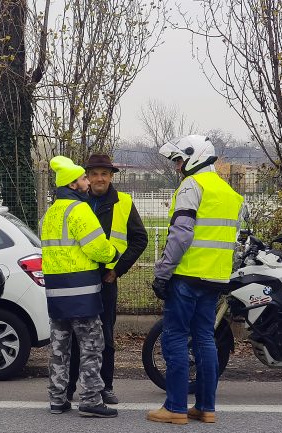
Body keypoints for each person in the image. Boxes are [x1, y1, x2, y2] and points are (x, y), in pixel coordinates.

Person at [147, 135, 244, 425]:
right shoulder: (229, 193)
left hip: (187, 276)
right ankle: (206, 407)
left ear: (194, 157)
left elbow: (181, 234)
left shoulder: (192, 185)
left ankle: (175, 408)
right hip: (215, 278)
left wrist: (163, 272)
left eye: (179, 160)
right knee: (204, 339)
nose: (177, 167)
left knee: (175, 337)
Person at [41, 156, 121, 418]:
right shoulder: (80, 210)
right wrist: (113, 254)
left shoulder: (51, 213)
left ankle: (57, 399)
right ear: (73, 185)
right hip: (82, 291)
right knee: (90, 346)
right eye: (84, 178)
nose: (88, 181)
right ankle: (90, 399)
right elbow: (97, 247)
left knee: (59, 348)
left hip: (56, 291)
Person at [66, 154, 148, 404]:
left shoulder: (124, 202)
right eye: (94, 173)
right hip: (79, 279)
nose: (99, 178)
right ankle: (69, 389)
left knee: (105, 336)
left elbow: (139, 239)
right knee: (75, 337)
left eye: (104, 173)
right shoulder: (78, 201)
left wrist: (117, 270)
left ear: (111, 176)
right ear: (87, 177)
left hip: (106, 280)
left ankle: (105, 387)